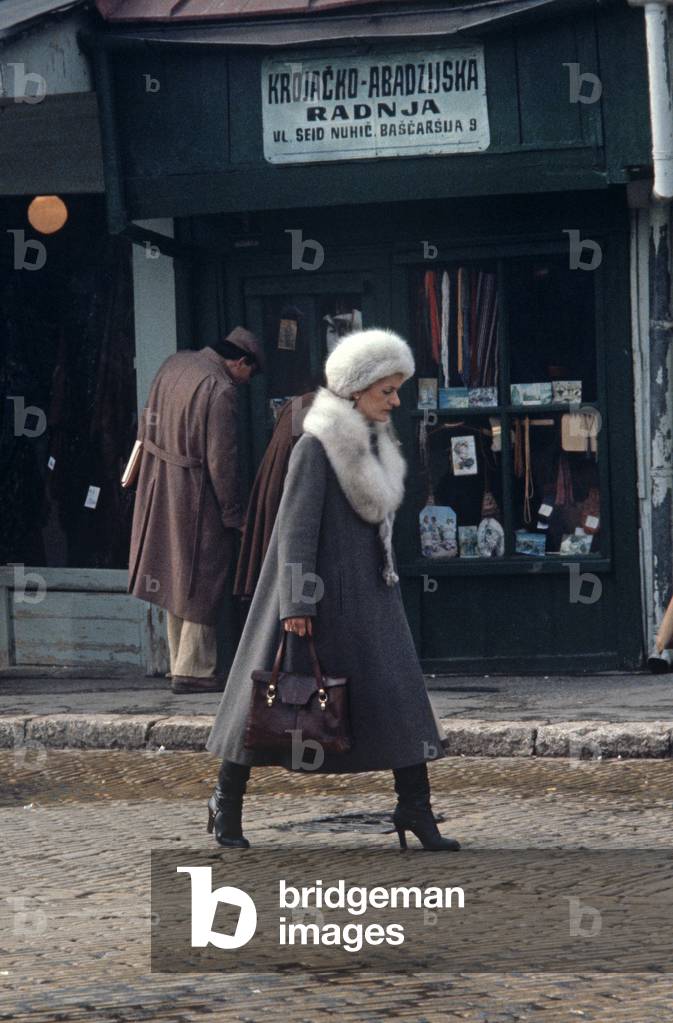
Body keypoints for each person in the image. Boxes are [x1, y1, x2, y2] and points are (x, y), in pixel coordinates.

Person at [205, 328, 460, 852]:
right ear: (356, 389)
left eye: (397, 389)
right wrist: (297, 603)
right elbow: (295, 526)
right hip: (314, 598)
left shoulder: (372, 442)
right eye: (386, 390)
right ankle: (225, 801)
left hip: (369, 595)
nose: (395, 400)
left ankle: (414, 806)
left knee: (397, 701)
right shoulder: (317, 445)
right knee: (269, 703)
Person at [128, 327, 265, 694]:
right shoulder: (219, 388)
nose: (246, 382)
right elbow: (223, 461)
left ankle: (180, 663)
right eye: (249, 373)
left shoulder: (174, 363)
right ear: (240, 361)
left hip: (160, 483)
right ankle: (195, 670)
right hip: (195, 492)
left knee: (174, 573)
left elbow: (146, 420)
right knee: (203, 577)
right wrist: (234, 513)